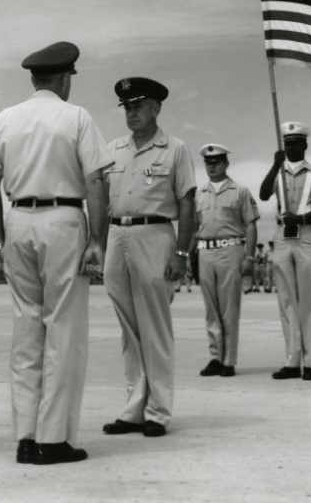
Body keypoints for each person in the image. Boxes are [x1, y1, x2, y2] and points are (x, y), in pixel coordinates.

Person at [0, 41, 111, 465]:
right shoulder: (75, 117)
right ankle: (53, 440)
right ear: (62, 77)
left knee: (26, 331)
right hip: (63, 221)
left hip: (17, 220)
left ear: (35, 78)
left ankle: (25, 436)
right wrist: (98, 240)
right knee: (64, 331)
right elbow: (96, 182)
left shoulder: (5, 118)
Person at [102, 77, 196, 438]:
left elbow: (187, 203)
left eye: (138, 106)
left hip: (155, 236)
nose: (131, 113)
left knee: (154, 328)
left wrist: (182, 252)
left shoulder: (174, 149)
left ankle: (158, 411)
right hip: (116, 236)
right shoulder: (112, 150)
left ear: (156, 108)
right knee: (129, 329)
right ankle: (133, 410)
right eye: (126, 107)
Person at [259, 121, 311, 381]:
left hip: (306, 235)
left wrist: (303, 218)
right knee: (287, 301)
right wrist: (274, 165)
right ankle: (292, 362)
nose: (291, 147)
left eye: (295, 143)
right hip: (282, 236)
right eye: (287, 143)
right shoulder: (278, 172)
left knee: (309, 302)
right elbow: (262, 194)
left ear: (305, 145)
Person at [193, 144, 259, 378]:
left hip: (230, 250)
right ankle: (215, 357)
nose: (212, 165)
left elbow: (250, 225)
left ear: (226, 163)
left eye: (217, 161)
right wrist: (191, 256)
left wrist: (250, 257)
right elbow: (194, 227)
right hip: (205, 253)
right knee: (211, 310)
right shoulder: (199, 193)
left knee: (229, 308)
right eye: (208, 162)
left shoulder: (240, 191)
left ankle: (228, 360)